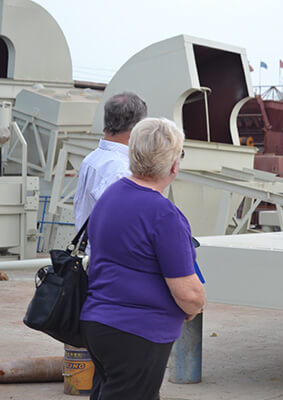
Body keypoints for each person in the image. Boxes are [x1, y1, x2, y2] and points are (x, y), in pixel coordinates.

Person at [80, 118, 206, 400]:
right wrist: (194, 305)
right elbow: (187, 293)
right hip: (138, 332)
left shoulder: (110, 196)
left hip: (99, 324)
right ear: (173, 165)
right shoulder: (164, 215)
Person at [73, 92, 147, 232]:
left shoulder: (93, 158)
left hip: (92, 250)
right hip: (111, 252)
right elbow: (124, 227)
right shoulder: (120, 170)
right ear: (138, 126)